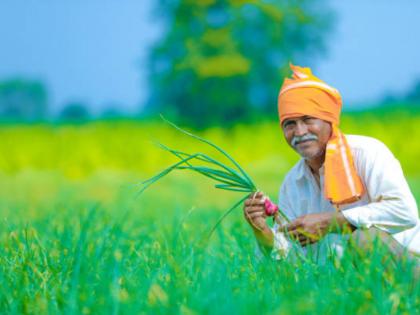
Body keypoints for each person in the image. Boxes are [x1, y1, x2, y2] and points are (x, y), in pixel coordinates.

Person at [243, 64, 419, 261]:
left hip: (407, 265)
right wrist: (262, 232)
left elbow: (405, 212)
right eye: (289, 124)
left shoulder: (368, 153)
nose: (299, 132)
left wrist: (332, 222)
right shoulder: (293, 182)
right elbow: (292, 257)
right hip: (345, 277)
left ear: (329, 120)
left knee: (364, 239)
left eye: (308, 119)